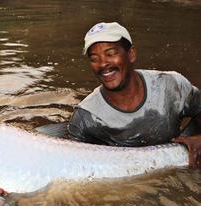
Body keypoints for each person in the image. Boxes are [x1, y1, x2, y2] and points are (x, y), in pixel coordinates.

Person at [68, 22, 201, 167]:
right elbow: (72, 166)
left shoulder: (171, 85)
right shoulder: (85, 116)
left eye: (110, 54)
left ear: (131, 54)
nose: (102, 64)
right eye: (94, 58)